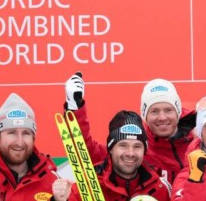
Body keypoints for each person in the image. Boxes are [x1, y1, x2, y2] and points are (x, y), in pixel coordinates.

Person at [64, 74, 196, 183]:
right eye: (154, 111)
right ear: (145, 115)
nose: (162, 117)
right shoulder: (136, 144)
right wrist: (74, 109)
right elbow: (85, 153)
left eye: (168, 110)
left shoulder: (198, 142)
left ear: (178, 111)